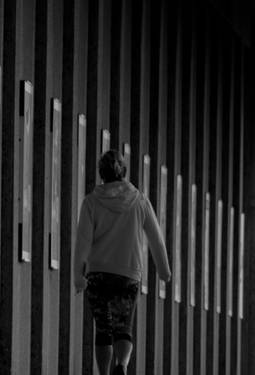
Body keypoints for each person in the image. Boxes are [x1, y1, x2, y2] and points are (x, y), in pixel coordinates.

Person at [72, 151, 173, 375]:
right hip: (128, 273)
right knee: (123, 326)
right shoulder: (140, 200)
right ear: (123, 172)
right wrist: (164, 272)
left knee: (103, 328)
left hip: (98, 272)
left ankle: (105, 373)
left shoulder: (91, 202)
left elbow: (83, 241)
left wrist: (78, 275)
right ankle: (123, 364)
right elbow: (156, 238)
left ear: (102, 174)